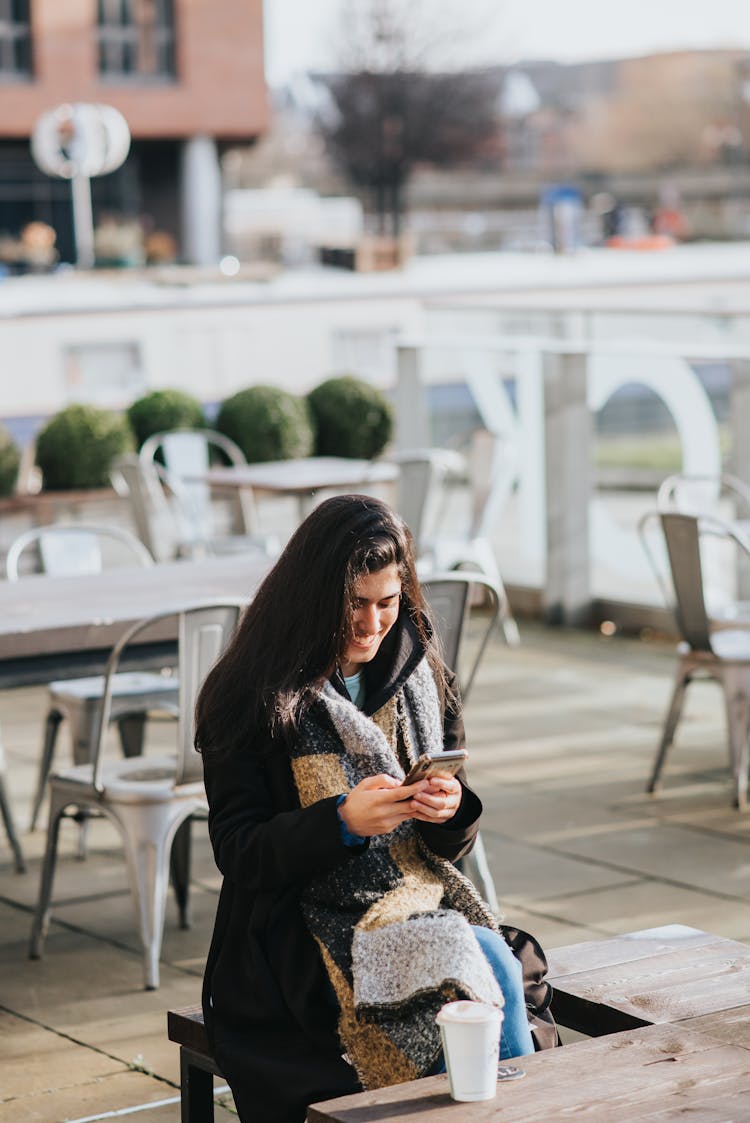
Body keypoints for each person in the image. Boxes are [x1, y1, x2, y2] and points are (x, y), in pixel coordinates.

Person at [196, 494, 535, 1123]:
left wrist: (452, 809)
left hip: (415, 899)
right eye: (354, 603)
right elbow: (239, 851)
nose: (372, 624)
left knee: (483, 969)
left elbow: (444, 850)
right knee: (480, 967)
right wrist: (341, 824)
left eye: (388, 602)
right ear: (312, 596)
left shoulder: (420, 673)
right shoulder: (248, 694)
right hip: (293, 932)